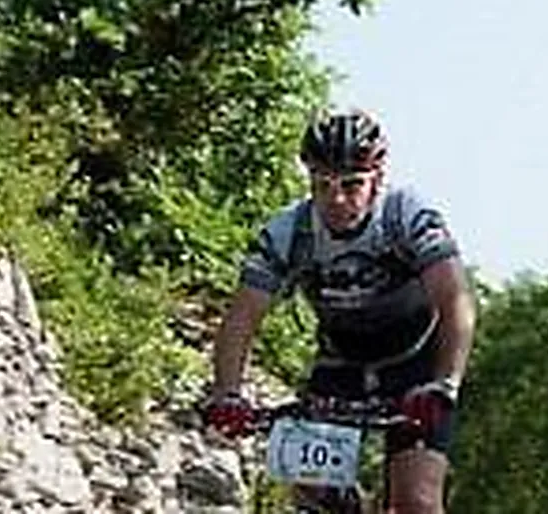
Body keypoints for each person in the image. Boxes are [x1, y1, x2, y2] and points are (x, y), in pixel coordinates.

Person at [202, 108, 476, 514]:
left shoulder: (405, 215)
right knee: (314, 498)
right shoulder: (288, 231)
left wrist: (446, 382)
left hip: (415, 367)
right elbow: (241, 319)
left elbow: (455, 300)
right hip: (341, 367)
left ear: (377, 179)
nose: (337, 199)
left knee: (416, 502)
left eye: (352, 184)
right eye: (323, 185)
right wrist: (228, 392)